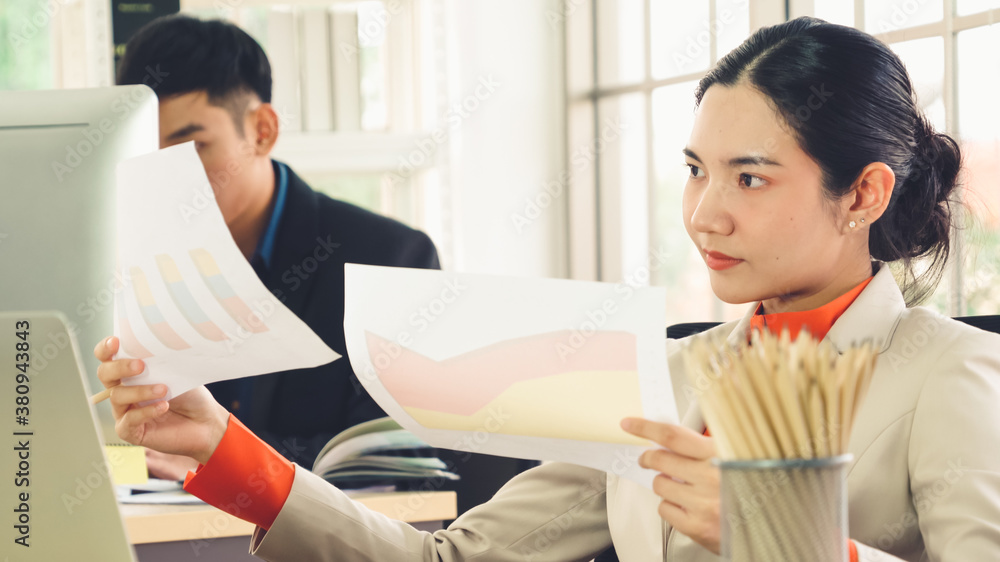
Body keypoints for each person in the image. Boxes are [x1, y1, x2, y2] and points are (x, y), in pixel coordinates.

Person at [97, 17, 1000, 561]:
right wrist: (229, 454)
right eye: (695, 170)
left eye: (750, 178)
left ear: (865, 193)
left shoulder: (948, 374)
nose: (705, 214)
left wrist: (792, 536)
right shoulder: (665, 378)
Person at [115, 15, 441, 479]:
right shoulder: (142, 267)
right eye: (150, 156)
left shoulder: (391, 258)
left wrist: (220, 455)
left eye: (191, 147)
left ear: (262, 131)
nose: (169, 178)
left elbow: (391, 455)